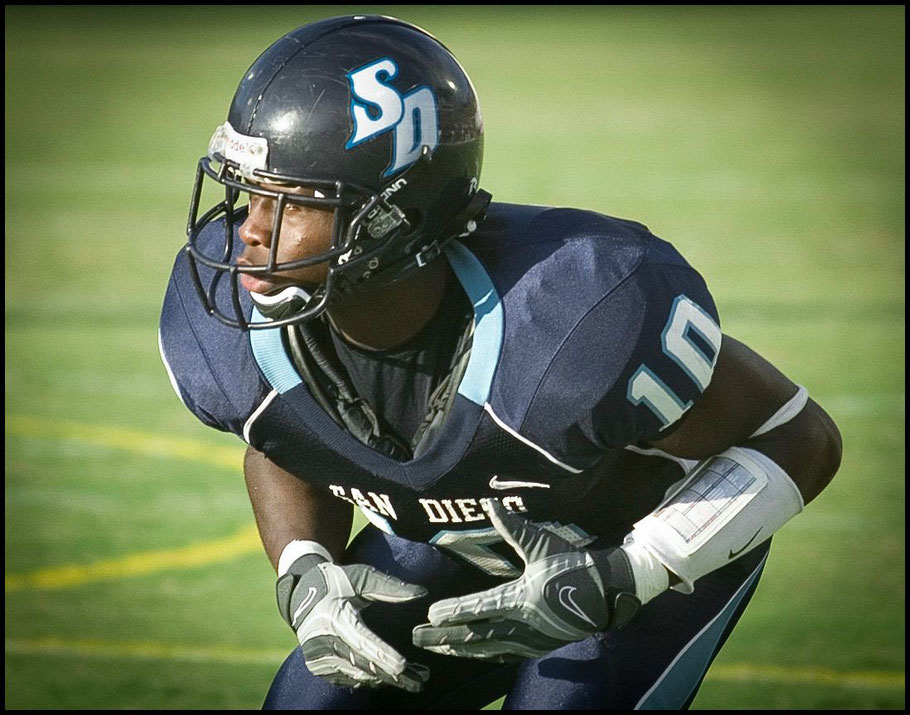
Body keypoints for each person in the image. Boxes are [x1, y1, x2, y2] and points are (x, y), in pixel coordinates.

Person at [159, 14, 842, 710]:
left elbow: (800, 435)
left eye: (296, 200)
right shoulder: (233, 326)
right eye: (252, 192)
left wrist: (634, 569)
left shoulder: (574, 313)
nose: (249, 230)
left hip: (636, 554)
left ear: (396, 216)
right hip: (453, 547)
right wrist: (306, 572)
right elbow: (280, 436)